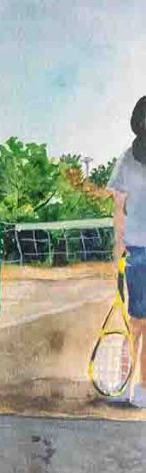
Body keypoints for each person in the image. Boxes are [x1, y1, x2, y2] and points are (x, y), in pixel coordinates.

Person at [108, 95, 146, 407]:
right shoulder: (127, 160)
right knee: (135, 321)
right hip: (137, 250)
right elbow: (118, 209)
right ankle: (125, 382)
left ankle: (142, 385)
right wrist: (117, 249)